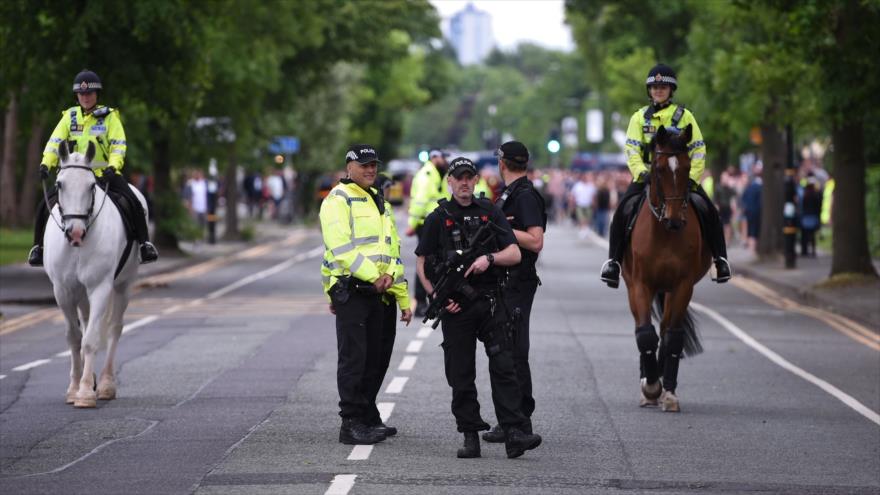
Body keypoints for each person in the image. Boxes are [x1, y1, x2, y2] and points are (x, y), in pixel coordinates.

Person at [415, 156, 542, 459]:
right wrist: (439, 297)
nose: (464, 183)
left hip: (489, 302)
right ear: (449, 181)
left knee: (504, 366)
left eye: (468, 177)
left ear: (475, 180)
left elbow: (514, 253)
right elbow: (421, 263)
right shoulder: (437, 217)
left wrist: (490, 259)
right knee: (461, 372)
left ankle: (513, 432)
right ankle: (470, 434)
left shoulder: (490, 212)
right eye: (458, 177)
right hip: (456, 306)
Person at [599, 63, 731, 288]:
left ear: (671, 90)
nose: (659, 90)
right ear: (649, 91)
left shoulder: (685, 116)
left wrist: (692, 179)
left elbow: (698, 149)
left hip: (679, 178)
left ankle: (720, 260)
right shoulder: (639, 118)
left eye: (663, 87)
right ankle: (614, 262)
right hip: (648, 177)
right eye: (655, 87)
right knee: (622, 211)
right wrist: (642, 173)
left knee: (709, 210)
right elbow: (632, 149)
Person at [28, 69, 158, 266]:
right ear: (77, 95)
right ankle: (38, 248)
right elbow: (55, 142)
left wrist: (113, 167)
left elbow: (118, 145)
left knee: (133, 202)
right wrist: (46, 163)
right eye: (81, 94)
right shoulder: (69, 117)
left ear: (97, 94)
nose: (85, 97)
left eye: (89, 94)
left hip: (105, 174)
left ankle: (144, 245)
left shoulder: (109, 117)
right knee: (43, 207)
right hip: (75, 176)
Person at [320, 144, 398, 445]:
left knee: (375, 359)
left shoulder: (376, 198)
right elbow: (341, 248)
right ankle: (350, 424)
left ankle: (366, 414)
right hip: (352, 289)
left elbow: (388, 245)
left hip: (378, 291)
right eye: (364, 165)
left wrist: (391, 278)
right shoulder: (337, 200)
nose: (370, 170)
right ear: (348, 167)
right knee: (354, 359)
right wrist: (375, 275)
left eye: (374, 165)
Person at [481, 141, 546, 444]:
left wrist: (499, 227)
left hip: (519, 280)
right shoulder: (510, 193)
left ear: (502, 164)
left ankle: (521, 420)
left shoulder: (525, 195)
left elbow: (535, 241)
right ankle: (510, 419)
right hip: (505, 280)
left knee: (515, 349)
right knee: (504, 348)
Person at [361, 173, 412, 436]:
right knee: (365, 360)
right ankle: (363, 415)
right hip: (365, 292)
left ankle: (369, 412)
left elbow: (394, 258)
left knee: (380, 360)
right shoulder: (361, 211)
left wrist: (403, 300)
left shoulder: (386, 212)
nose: (390, 193)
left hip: (387, 295)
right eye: (387, 188)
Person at [406, 149, 449, 317]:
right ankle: (421, 303)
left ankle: (433, 301)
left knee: (436, 262)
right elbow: (420, 201)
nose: (444, 160)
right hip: (425, 222)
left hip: (437, 221)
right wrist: (412, 223)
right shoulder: (427, 174)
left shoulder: (439, 173)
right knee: (425, 262)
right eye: (442, 157)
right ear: (434, 158)